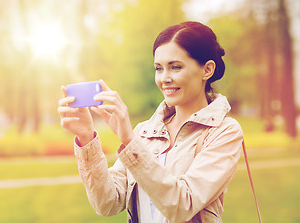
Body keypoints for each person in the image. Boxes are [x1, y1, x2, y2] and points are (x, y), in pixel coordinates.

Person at [58, 21, 243, 223]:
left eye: (175, 67)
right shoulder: (144, 132)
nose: (164, 78)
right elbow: (107, 203)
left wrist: (129, 140)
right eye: (159, 68)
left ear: (207, 70)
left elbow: (182, 205)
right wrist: (86, 138)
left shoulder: (223, 132)